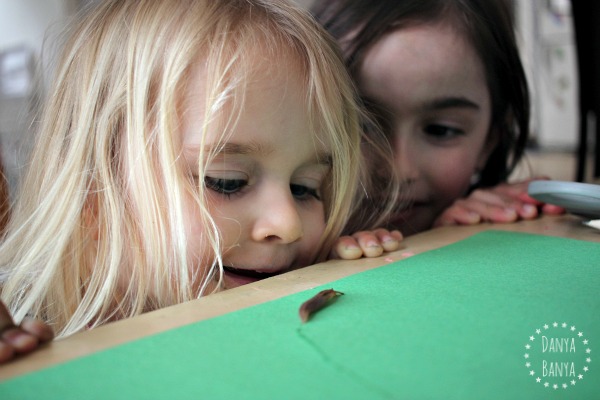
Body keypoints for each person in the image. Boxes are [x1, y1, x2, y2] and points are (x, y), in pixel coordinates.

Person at [0, 0, 402, 363]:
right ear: (94, 200)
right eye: (226, 181)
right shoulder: (48, 362)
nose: (287, 224)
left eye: (306, 188)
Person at [313, 0, 564, 236]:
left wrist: (456, 238)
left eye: (441, 130)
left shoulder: (484, 225)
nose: (399, 170)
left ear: (489, 141)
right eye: (362, 125)